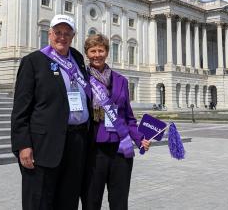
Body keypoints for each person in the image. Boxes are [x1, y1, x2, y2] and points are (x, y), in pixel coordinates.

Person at [11, 14, 91, 210]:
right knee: (39, 202)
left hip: (76, 143)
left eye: (67, 33)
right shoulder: (33, 61)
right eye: (58, 32)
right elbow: (20, 109)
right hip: (43, 146)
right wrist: (23, 145)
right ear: (49, 34)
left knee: (68, 201)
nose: (62, 37)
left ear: (73, 36)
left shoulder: (78, 58)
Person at [82, 34, 150, 210]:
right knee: (91, 201)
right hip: (93, 149)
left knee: (119, 202)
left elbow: (128, 115)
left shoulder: (121, 80)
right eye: (93, 51)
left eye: (101, 50)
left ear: (107, 52)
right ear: (87, 54)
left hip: (120, 148)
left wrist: (139, 138)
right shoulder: (82, 80)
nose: (97, 54)